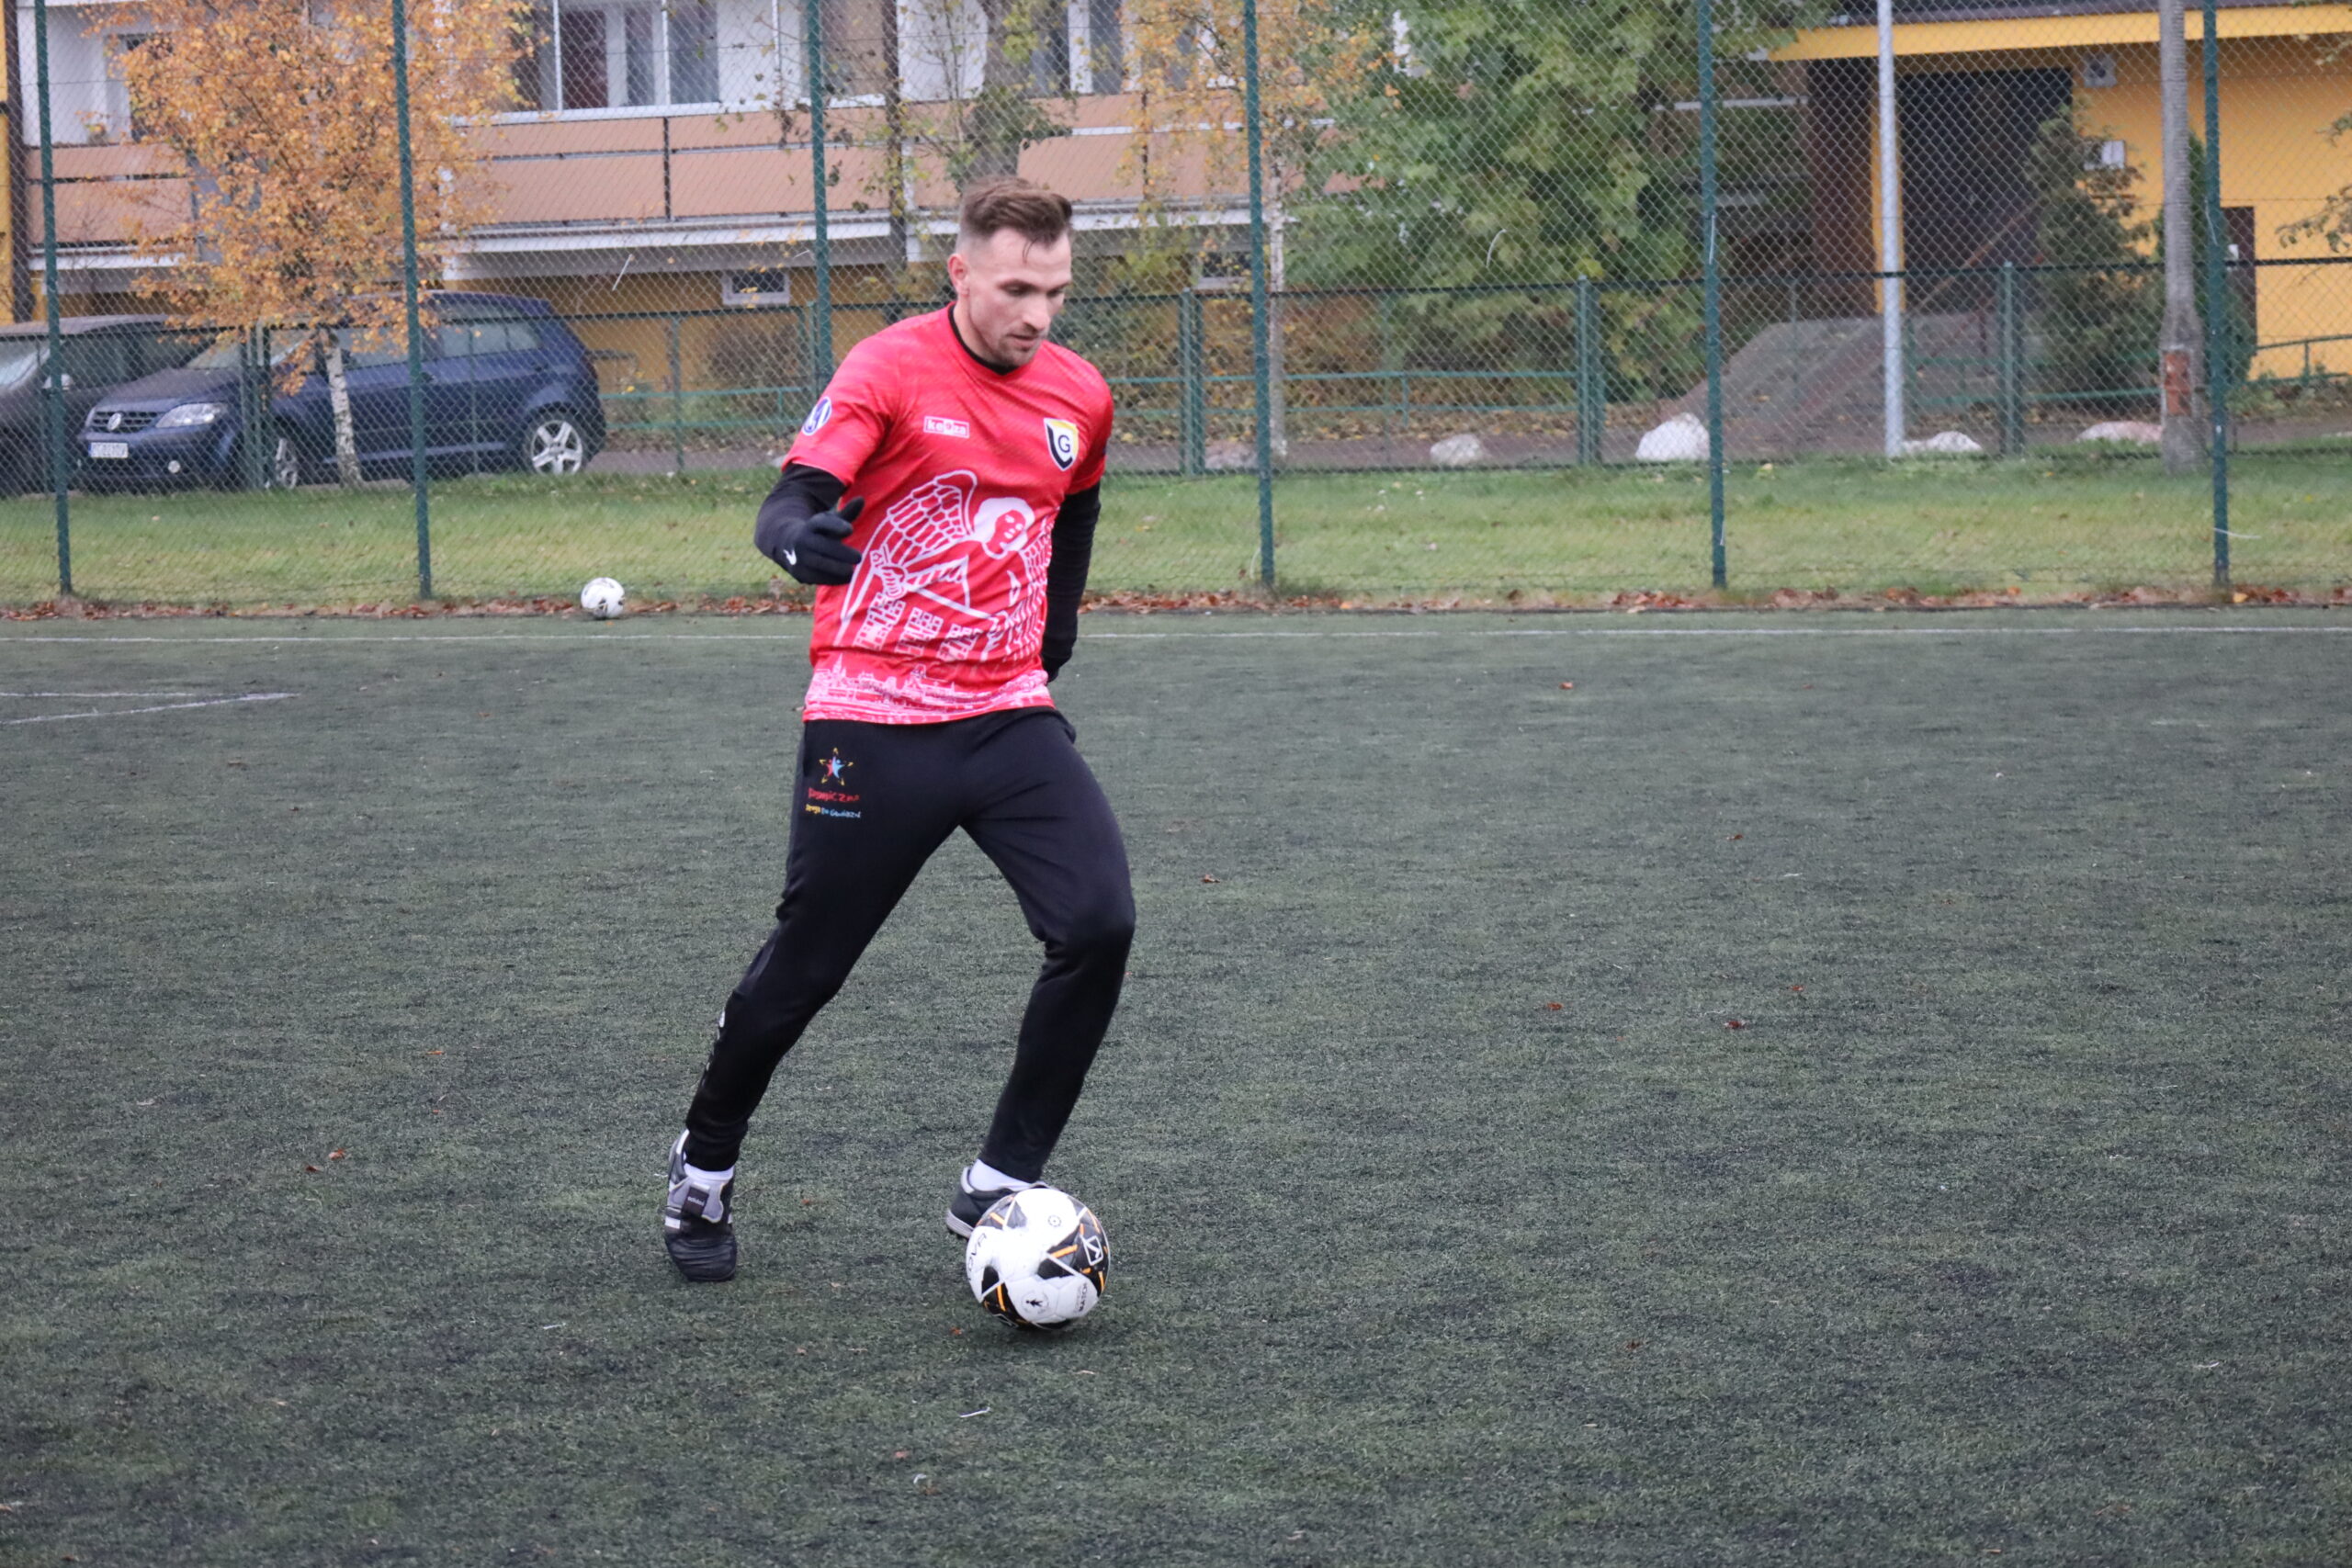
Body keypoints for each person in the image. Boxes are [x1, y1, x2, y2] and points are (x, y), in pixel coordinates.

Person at [661, 178, 1134, 1283]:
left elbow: (1077, 505)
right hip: (871, 714)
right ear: (960, 273)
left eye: (1055, 292)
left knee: (1098, 922)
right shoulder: (888, 369)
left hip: (1005, 712)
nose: (1037, 315)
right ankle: (703, 1166)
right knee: (807, 966)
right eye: (1016, 290)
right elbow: (794, 493)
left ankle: (1001, 1181)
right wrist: (793, 537)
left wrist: (1053, 630)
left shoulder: (1080, 394)